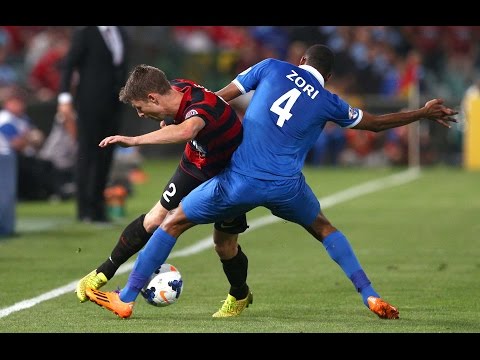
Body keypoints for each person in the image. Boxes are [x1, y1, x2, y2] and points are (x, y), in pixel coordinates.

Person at [85, 44, 457, 320]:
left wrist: (186, 121)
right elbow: (375, 124)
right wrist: (422, 112)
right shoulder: (331, 102)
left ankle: (128, 296)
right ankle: (370, 294)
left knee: (173, 222)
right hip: (287, 187)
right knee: (325, 228)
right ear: (325, 75)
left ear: (301, 62)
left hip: (239, 179)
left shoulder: (270, 67)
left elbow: (217, 99)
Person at [75, 64, 248, 312]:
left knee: (224, 245)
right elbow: (180, 120)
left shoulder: (201, 106)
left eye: (139, 107)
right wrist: (169, 120)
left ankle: (240, 295)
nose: (140, 114)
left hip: (229, 174)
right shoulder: (175, 88)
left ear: (152, 98)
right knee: (155, 218)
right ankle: (100, 275)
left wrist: (134, 140)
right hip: (195, 164)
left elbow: (188, 129)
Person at [57, 26, 129, 222]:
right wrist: (64, 97)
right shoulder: (86, 32)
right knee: (88, 154)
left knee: (106, 154)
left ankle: (98, 207)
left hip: (115, 103)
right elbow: (68, 64)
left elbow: (120, 67)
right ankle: (85, 209)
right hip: (89, 103)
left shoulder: (120, 32)